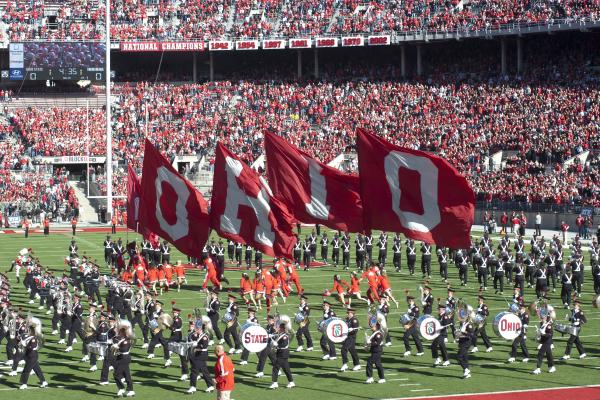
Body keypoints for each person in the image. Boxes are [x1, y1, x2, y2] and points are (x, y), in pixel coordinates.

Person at [187, 319, 215, 393]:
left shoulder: (204, 336)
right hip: (196, 354)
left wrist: (196, 345)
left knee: (194, 370)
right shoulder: (194, 335)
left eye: (197, 328)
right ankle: (211, 385)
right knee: (204, 370)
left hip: (202, 355)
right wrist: (194, 339)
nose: (195, 329)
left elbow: (204, 346)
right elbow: (189, 340)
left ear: (200, 328)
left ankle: (193, 386)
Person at [18, 325, 48, 390]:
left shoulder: (33, 338)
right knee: (37, 369)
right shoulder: (29, 337)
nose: (27, 331)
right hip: (29, 355)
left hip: (32, 355)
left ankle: (24, 384)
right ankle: (44, 382)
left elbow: (32, 347)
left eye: (28, 330)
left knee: (26, 370)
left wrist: (24, 345)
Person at [269, 323, 295, 389]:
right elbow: (276, 336)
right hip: (281, 353)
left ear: (282, 329)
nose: (277, 328)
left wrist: (276, 345)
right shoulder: (281, 334)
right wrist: (271, 336)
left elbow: (284, 345)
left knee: (275, 367)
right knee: (286, 369)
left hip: (282, 354)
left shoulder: (285, 336)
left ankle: (274, 383)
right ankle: (291, 382)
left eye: (279, 327)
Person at [112, 325, 134, 397]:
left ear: (123, 333)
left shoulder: (126, 340)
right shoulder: (123, 339)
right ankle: (131, 390)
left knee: (116, 374)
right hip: (121, 357)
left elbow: (124, 349)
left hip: (124, 358)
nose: (119, 333)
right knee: (127, 374)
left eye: (120, 332)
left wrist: (117, 347)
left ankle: (121, 388)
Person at [340, 308, 360, 372]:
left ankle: (345, 363)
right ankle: (357, 364)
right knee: (352, 350)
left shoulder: (354, 320)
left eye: (348, 313)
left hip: (351, 337)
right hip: (346, 337)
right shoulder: (347, 319)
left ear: (352, 313)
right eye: (347, 313)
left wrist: (352, 330)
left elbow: (356, 330)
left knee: (343, 349)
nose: (347, 314)